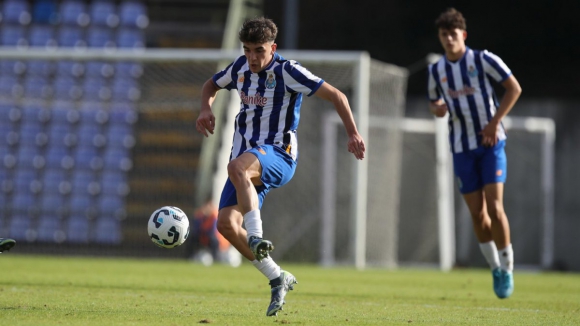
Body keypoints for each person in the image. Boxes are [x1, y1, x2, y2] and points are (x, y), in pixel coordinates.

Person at [196, 17, 366, 316]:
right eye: (247, 50)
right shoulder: (239, 68)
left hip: (278, 155)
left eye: (258, 50)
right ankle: (277, 277)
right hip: (247, 167)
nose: (252, 57)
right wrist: (205, 108)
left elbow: (337, 95)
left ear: (272, 48)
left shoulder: (287, 71)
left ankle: (258, 236)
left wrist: (352, 132)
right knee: (225, 225)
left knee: (236, 168)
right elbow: (211, 83)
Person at [427, 8, 522, 299]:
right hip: (461, 148)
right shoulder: (437, 71)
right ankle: (494, 267)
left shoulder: (482, 59)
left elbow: (514, 88)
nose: (449, 39)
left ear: (463, 35)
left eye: (453, 34)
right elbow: (434, 103)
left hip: (492, 144)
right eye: (444, 35)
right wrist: (438, 109)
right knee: (477, 214)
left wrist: (494, 124)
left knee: (495, 209)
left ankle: (507, 268)